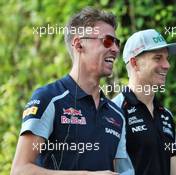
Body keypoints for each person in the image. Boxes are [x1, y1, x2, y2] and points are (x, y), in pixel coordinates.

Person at [11, 7, 134, 175]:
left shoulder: (116, 114)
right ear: (78, 44)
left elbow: (121, 171)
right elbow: (20, 170)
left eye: (116, 43)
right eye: (107, 41)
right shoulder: (49, 98)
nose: (115, 49)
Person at [112, 29, 176, 175]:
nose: (167, 65)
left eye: (167, 58)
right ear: (135, 63)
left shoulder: (166, 115)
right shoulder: (113, 112)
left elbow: (173, 167)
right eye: (158, 58)